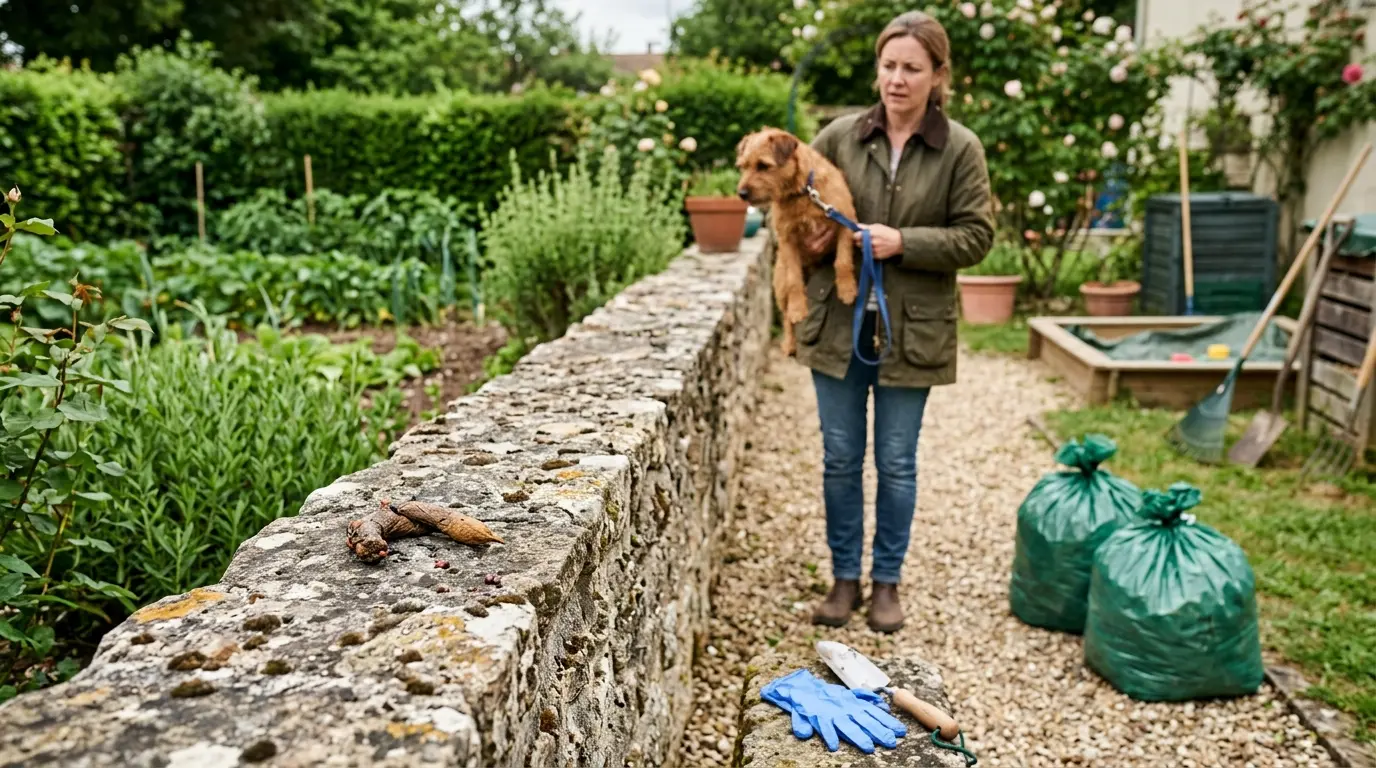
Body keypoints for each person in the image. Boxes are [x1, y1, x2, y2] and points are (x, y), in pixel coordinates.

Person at [787, 10, 994, 632]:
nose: (897, 80)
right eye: (888, 66)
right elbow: (794, 209)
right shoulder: (838, 137)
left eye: (912, 68)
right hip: (837, 322)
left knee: (898, 462)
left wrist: (903, 241)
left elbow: (977, 236)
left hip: (915, 328)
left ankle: (887, 584)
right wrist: (818, 243)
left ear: (938, 75)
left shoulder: (960, 148)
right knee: (840, 458)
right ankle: (843, 581)